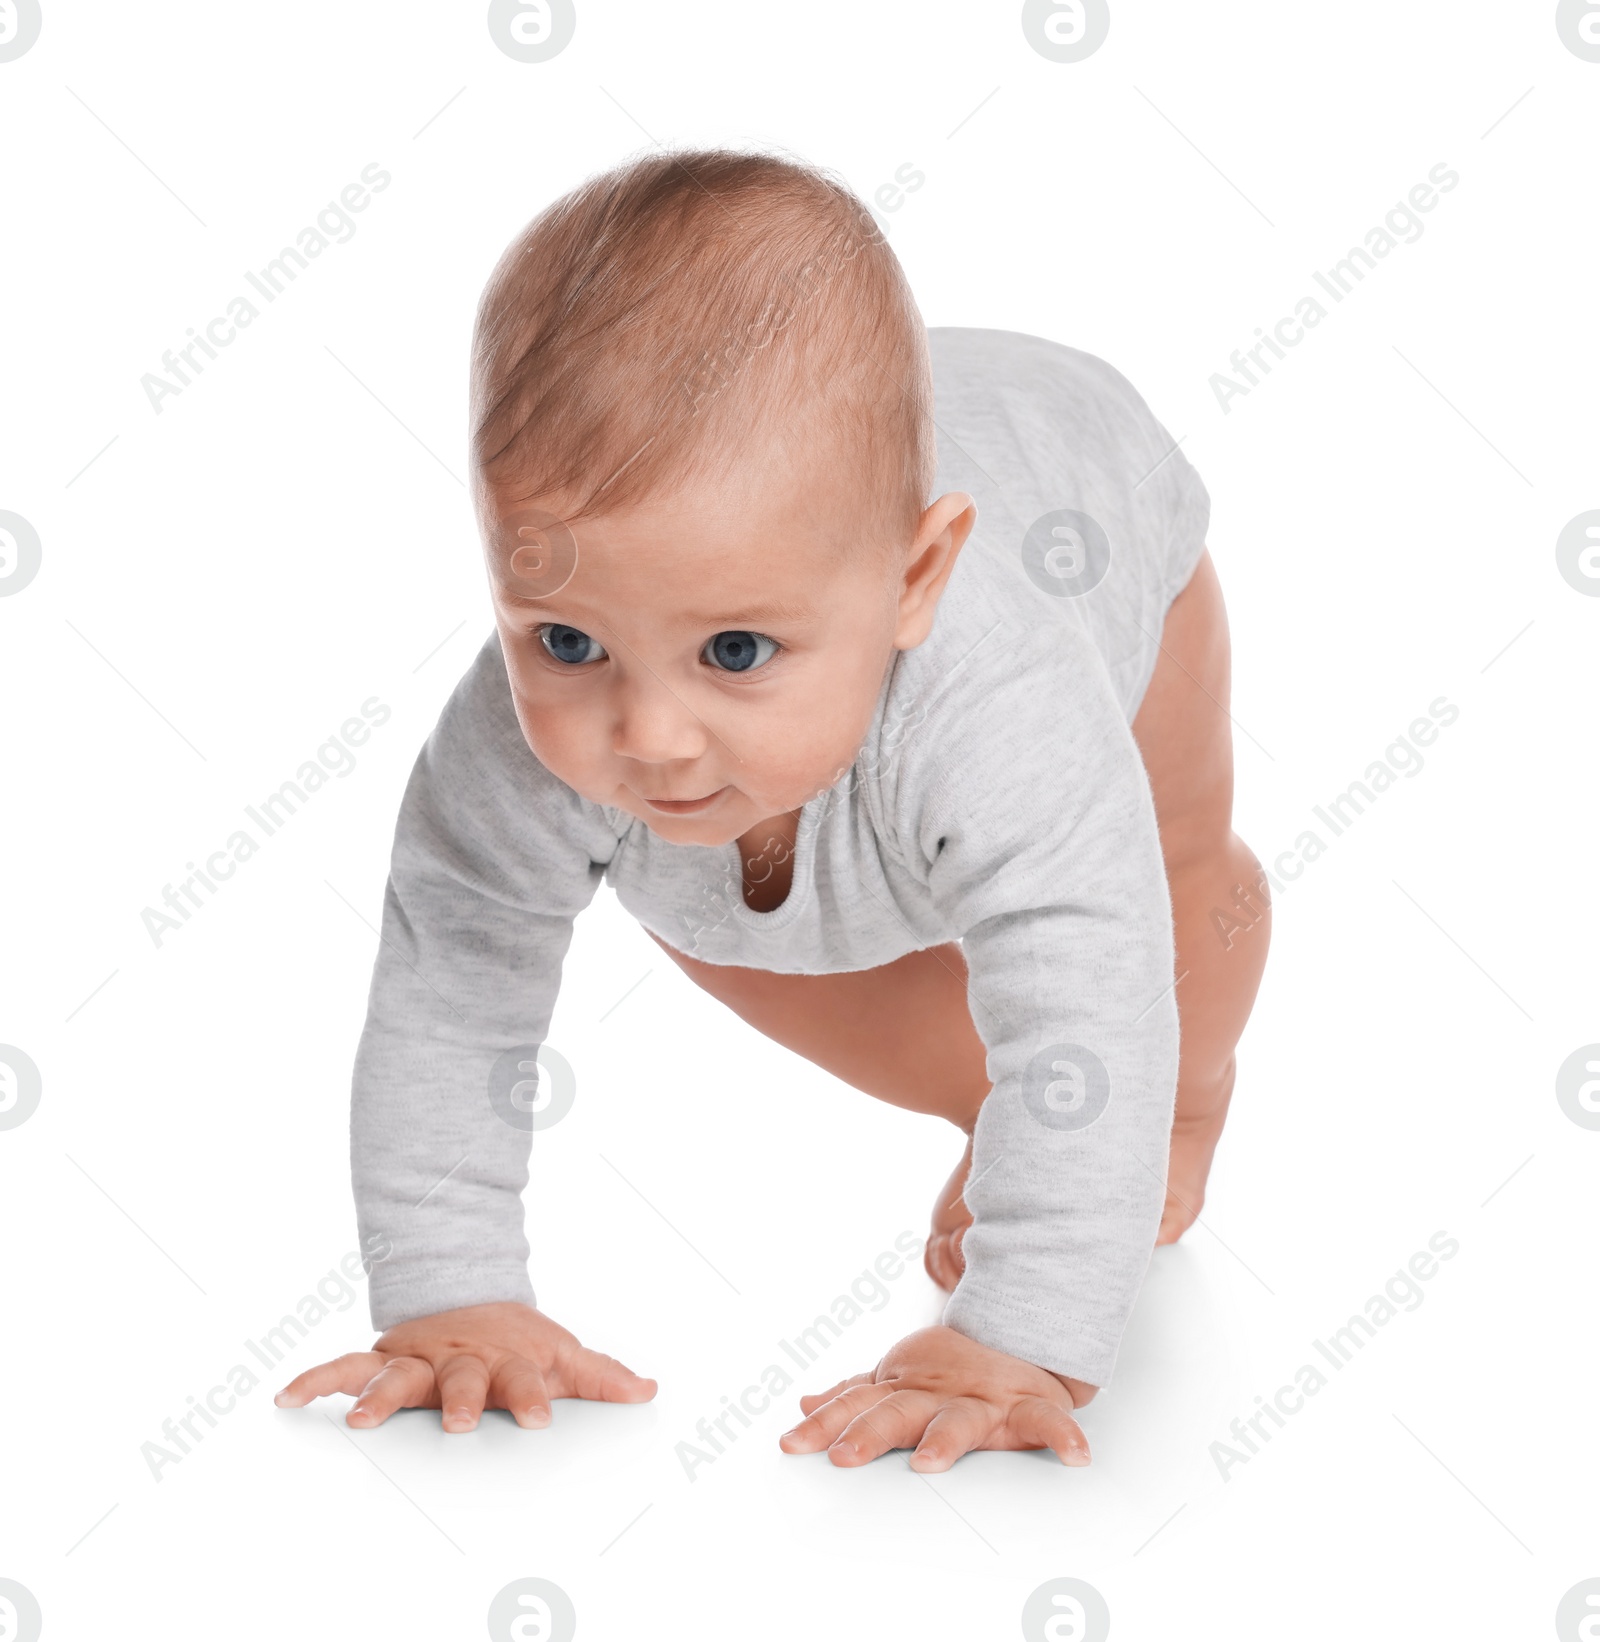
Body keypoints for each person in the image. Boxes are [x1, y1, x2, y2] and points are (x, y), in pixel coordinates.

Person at [275, 148, 1271, 1472]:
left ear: (915, 575)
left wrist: (1020, 1332)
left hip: (1090, 511)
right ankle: (1008, 1100)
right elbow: (449, 995)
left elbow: (1088, 987)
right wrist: (450, 1292)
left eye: (735, 651)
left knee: (1160, 912)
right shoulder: (515, 750)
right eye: (566, 641)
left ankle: (1184, 1103)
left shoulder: (1002, 698)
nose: (650, 736)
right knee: (838, 963)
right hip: (845, 773)